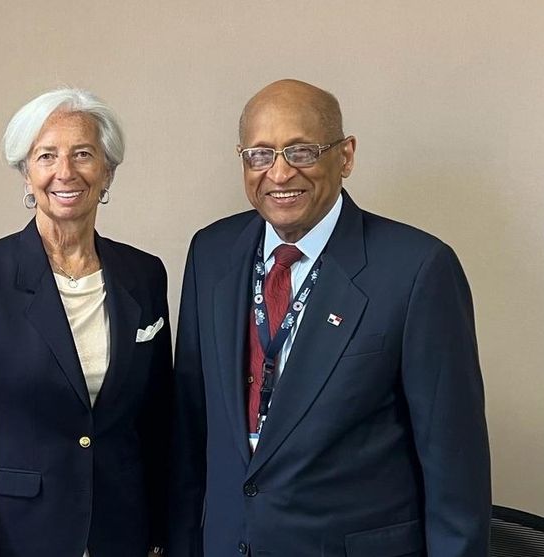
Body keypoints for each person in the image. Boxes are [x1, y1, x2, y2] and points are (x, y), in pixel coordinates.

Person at [168, 79, 490, 556]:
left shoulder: (417, 269)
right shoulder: (211, 253)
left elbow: (454, 466)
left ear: (346, 156)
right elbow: (190, 431)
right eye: (260, 154)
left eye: (300, 151)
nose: (279, 174)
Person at [0, 88, 171, 557]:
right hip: (17, 538)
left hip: (121, 534)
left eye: (83, 154)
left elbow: (156, 423)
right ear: (25, 172)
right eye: (46, 156)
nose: (65, 172)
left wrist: (159, 534)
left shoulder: (144, 274)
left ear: (108, 170)